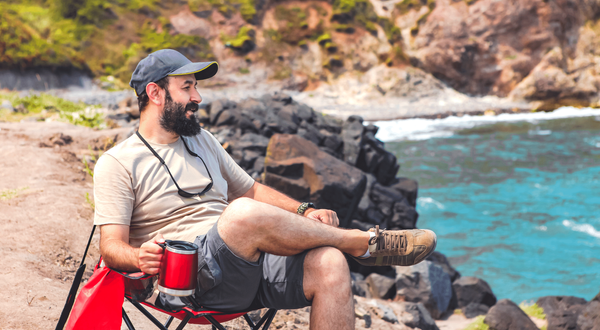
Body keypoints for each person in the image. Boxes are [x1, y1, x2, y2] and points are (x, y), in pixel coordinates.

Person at [94, 49, 437, 329]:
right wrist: (139, 256)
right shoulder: (118, 162)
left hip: (246, 266)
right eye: (186, 87)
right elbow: (110, 248)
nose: (197, 97)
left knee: (330, 262)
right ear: (155, 92)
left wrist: (303, 211)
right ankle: (359, 242)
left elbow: (251, 190)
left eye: (195, 87)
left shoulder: (202, 140)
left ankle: (347, 247)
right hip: (191, 281)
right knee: (241, 214)